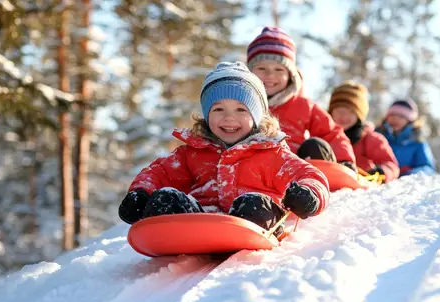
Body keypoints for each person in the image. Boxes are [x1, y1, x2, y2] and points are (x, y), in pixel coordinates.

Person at [118, 61, 331, 236]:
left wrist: (309, 194)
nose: (229, 117)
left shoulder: (271, 153)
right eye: (218, 109)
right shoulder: (193, 152)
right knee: (165, 198)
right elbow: (159, 173)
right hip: (200, 222)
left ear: (257, 118)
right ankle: (171, 232)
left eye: (241, 109)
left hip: (250, 223)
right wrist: (141, 193)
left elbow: (309, 175)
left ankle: (252, 225)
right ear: (206, 114)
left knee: (253, 204)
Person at [246, 26, 356, 171]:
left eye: (279, 70)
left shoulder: (303, 106)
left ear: (290, 74)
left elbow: (331, 133)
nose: (270, 76)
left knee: (315, 145)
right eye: (262, 69)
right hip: (252, 167)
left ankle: (317, 180)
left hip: (295, 169)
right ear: (250, 72)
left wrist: (344, 160)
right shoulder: (241, 104)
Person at [327, 80, 400, 183]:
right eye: (339, 111)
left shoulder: (371, 140)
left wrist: (381, 171)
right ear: (330, 112)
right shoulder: (323, 137)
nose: (344, 116)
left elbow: (391, 165)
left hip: (362, 187)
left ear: (359, 115)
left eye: (351, 111)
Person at [375, 98, 436, 177]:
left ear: (409, 120)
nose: (395, 119)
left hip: (404, 185)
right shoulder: (377, 136)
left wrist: (410, 173)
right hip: (378, 178)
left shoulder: (417, 142)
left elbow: (427, 168)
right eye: (392, 115)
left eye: (401, 116)